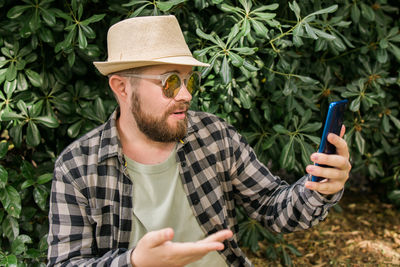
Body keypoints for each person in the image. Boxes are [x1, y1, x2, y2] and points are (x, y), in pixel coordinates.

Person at [47, 15, 351, 267]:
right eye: (170, 82)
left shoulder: (214, 135)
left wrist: (321, 187)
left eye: (189, 79)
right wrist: (135, 262)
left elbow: (273, 208)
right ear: (122, 88)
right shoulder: (77, 168)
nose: (186, 95)